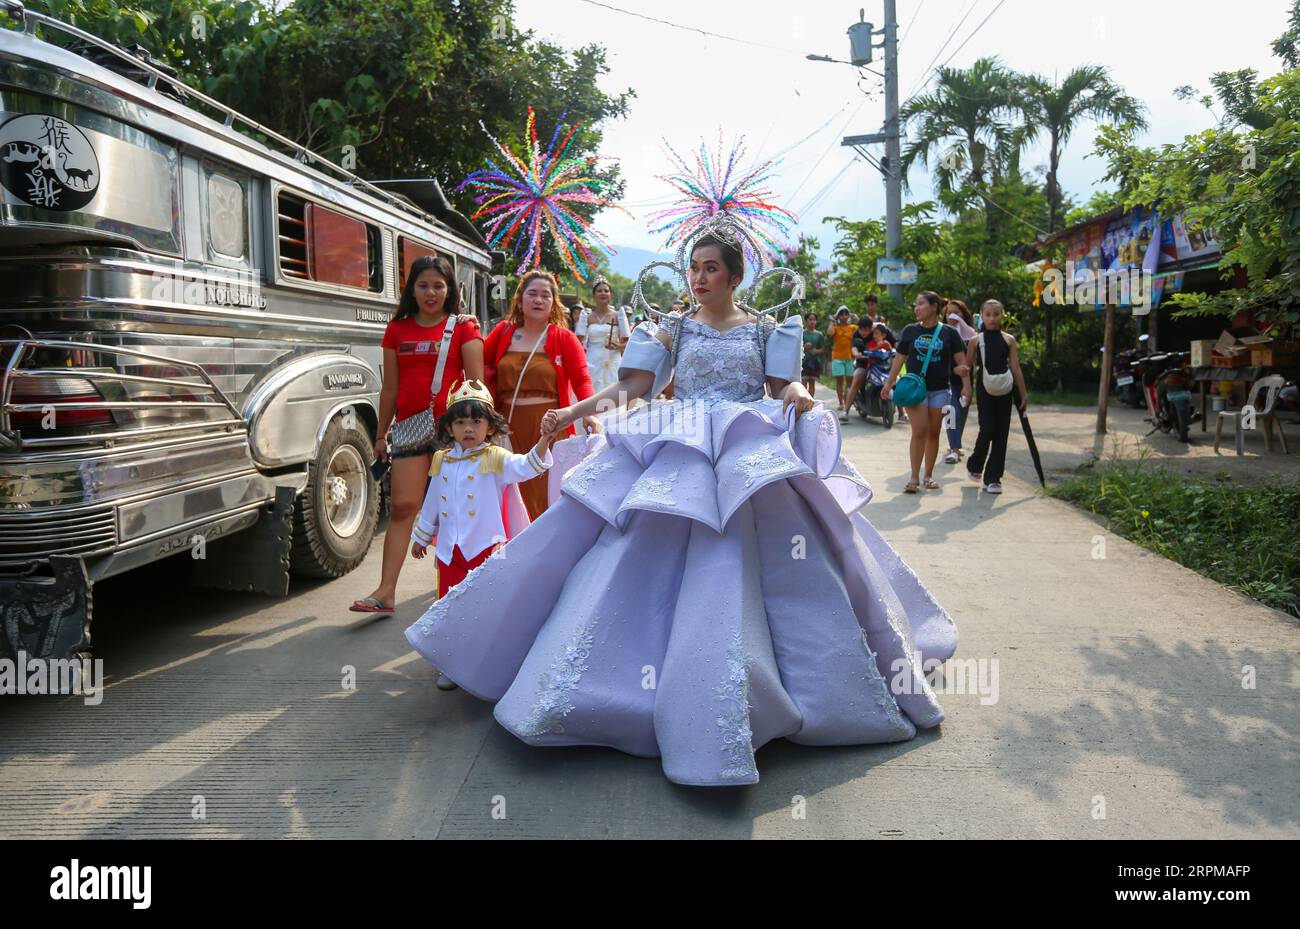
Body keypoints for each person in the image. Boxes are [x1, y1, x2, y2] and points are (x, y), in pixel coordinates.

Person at [403, 214, 958, 788]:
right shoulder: (672, 328)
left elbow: (779, 386)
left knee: (775, 557)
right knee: (623, 546)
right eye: (694, 267)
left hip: (745, 444)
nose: (699, 277)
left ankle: (782, 689)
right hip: (681, 438)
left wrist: (800, 397)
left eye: (711, 268)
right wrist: (574, 411)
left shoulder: (766, 330)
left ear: (735, 276)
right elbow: (633, 388)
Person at [351, 256, 482, 616]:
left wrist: (476, 433)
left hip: (455, 432)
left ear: (450, 289)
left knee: (456, 510)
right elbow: (389, 387)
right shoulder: (397, 330)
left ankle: (456, 591)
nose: (431, 292)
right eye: (423, 285)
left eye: (439, 286)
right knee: (404, 507)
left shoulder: (465, 328)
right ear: (412, 289)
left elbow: (476, 386)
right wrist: (380, 434)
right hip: (409, 426)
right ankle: (386, 592)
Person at [410, 379, 557, 688]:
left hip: (487, 550)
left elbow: (527, 466)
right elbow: (432, 500)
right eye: (460, 422)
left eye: (476, 421)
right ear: (449, 428)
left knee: (486, 610)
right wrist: (422, 537)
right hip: (450, 551)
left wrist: (545, 439)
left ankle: (490, 664)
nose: (468, 428)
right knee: (451, 607)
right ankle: (450, 664)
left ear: (490, 426)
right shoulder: (442, 460)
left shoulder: (495, 458)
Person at [482, 271, 597, 520]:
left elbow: (582, 380)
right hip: (508, 426)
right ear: (520, 299)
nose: (538, 300)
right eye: (532, 294)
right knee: (514, 496)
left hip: (551, 427)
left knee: (549, 495)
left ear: (553, 302)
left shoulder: (563, 337)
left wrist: (589, 415)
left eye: (545, 295)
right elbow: (476, 364)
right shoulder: (503, 332)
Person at [881, 291, 971, 493]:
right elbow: (899, 359)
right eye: (916, 304)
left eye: (921, 304)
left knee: (933, 432)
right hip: (915, 390)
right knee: (919, 430)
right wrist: (888, 384)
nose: (917, 308)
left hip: (940, 389)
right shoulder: (910, 331)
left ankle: (928, 475)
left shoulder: (950, 333)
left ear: (934, 307)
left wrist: (966, 385)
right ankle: (914, 477)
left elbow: (961, 363)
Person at [965, 300, 1028, 494]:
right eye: (988, 314)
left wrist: (1023, 393)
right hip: (984, 389)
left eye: (996, 314)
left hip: (1006, 389)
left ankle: (993, 479)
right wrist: (966, 389)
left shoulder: (1009, 340)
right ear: (982, 316)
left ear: (1002, 315)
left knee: (1002, 433)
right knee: (987, 429)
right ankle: (975, 465)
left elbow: (1015, 368)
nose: (992, 318)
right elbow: (967, 368)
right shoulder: (976, 341)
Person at [574, 276, 631, 394]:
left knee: (613, 397)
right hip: (592, 362)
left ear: (611, 295)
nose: (603, 293)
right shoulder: (587, 317)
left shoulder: (618, 315)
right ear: (594, 295)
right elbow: (577, 342)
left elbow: (628, 343)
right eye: (599, 291)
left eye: (606, 291)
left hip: (613, 361)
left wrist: (618, 346)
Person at [943, 300, 978, 464]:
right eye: (949, 312)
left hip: (966, 380)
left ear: (963, 314)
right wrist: (953, 370)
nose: (951, 315)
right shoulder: (942, 333)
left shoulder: (970, 334)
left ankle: (955, 445)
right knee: (951, 412)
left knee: (962, 413)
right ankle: (954, 449)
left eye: (956, 312)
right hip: (948, 381)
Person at [842, 319, 892, 418]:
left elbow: (892, 346)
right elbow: (854, 348)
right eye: (861, 329)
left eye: (866, 330)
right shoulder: (857, 335)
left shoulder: (878, 333)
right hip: (863, 363)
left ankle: (902, 414)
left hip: (881, 365)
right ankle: (845, 411)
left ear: (872, 329)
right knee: (856, 380)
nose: (863, 332)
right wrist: (856, 354)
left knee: (894, 380)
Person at [828, 306, 857, 422]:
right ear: (838, 316)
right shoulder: (835, 328)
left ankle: (847, 403)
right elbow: (829, 333)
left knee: (850, 382)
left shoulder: (853, 327)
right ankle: (841, 403)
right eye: (841, 314)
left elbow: (864, 331)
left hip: (850, 358)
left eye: (846, 314)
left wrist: (856, 319)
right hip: (837, 358)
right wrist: (832, 320)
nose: (844, 316)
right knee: (840, 381)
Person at [800, 311, 826, 397]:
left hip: (814, 362)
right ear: (806, 321)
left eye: (814, 320)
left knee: (812, 383)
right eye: (810, 319)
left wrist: (816, 351)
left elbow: (823, 349)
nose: (812, 321)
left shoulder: (819, 335)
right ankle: (803, 400)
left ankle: (810, 401)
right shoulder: (802, 333)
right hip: (803, 362)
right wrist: (804, 346)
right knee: (803, 383)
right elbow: (796, 347)